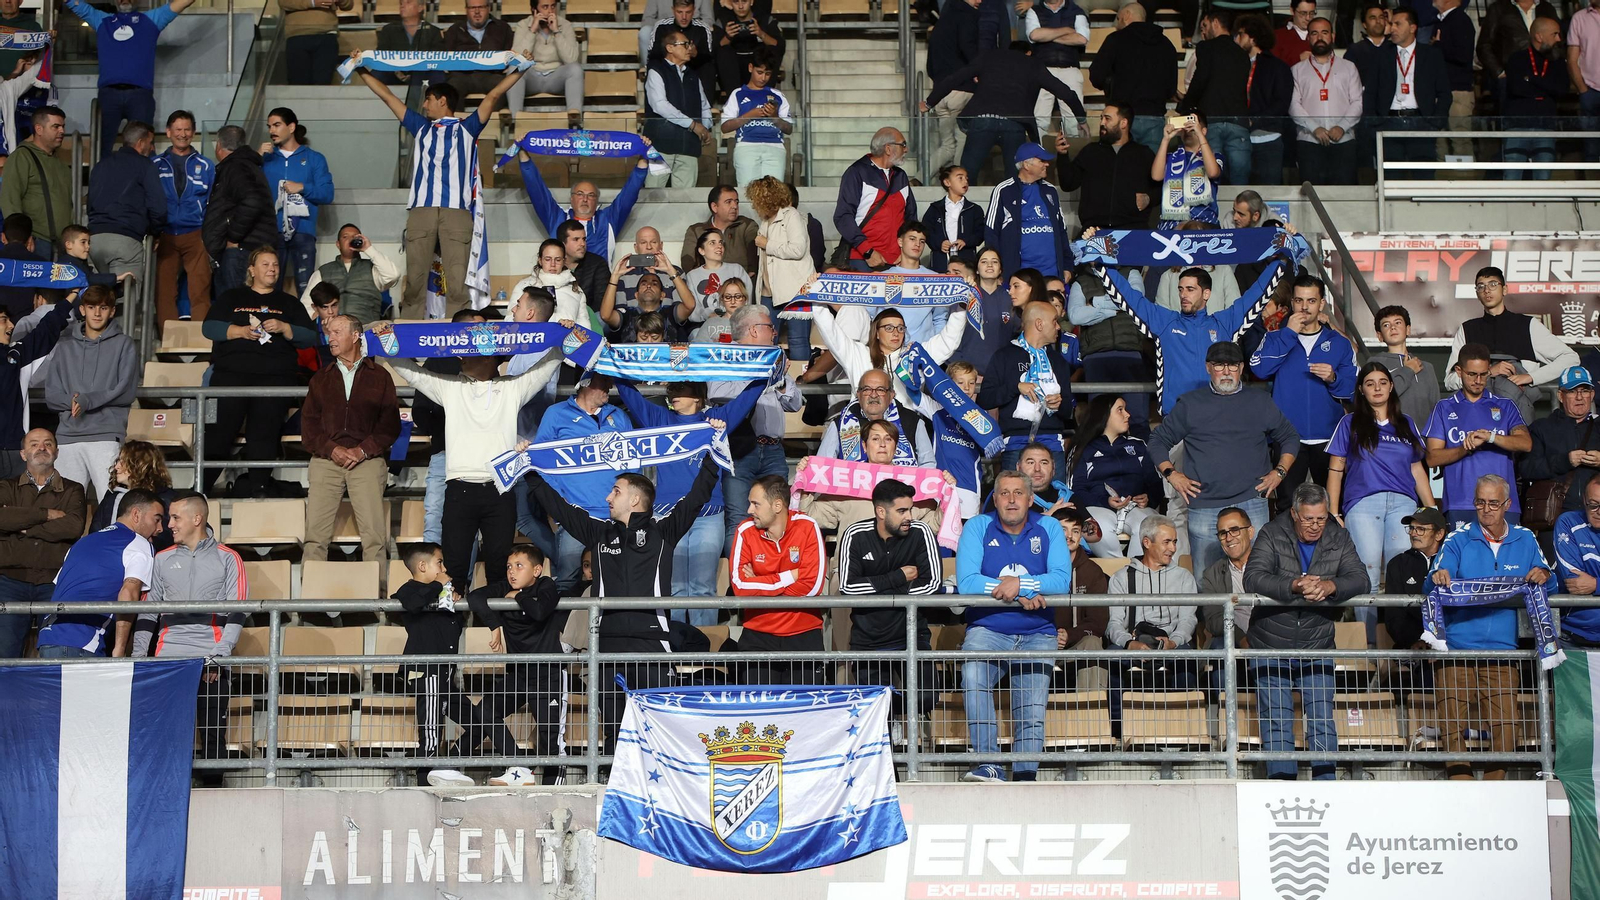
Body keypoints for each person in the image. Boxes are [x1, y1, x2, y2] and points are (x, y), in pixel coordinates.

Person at [526, 451, 723, 752]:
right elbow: (560, 508)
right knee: (614, 734)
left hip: (652, 647)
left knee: (657, 732)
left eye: (615, 491)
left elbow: (696, 497)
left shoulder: (663, 532)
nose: (607, 497)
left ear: (634, 500)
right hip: (607, 648)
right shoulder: (599, 533)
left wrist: (712, 453)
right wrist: (530, 471)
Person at [355, 64, 522, 319]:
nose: (424, 105)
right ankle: (410, 341)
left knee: (457, 283)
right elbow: (387, 96)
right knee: (415, 281)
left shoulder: (469, 128)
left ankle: (457, 344)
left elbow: (493, 95)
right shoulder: (420, 127)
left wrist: (521, 69)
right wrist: (361, 69)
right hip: (422, 210)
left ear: (442, 101)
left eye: (428, 100)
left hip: (456, 212)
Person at [1083, 224, 1288, 416]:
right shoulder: (1165, 322)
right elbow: (1129, 297)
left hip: (1217, 414)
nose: (1183, 295)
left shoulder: (1224, 323)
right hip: (1177, 417)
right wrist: (1099, 260)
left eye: (1190, 289)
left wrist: (1282, 258)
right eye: (1180, 289)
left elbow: (1257, 293)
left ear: (1206, 294)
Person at [1429, 474, 1549, 780]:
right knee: (1451, 726)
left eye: (1494, 503)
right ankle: (1462, 785)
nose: (1486, 509)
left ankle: (1496, 790)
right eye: (1480, 502)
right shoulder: (1457, 538)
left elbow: (1550, 577)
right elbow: (1437, 574)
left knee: (1506, 728)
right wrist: (1439, 575)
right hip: (1456, 649)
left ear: (1507, 504)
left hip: (1502, 652)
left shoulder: (1525, 538)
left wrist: (1543, 575)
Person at [1242, 483, 1366, 780]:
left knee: (1322, 719)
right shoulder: (1271, 532)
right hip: (1271, 642)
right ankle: (1282, 786)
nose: (1315, 526)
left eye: (1321, 519)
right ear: (1294, 513)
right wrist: (1293, 586)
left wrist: (1330, 586)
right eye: (1308, 519)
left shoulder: (1338, 535)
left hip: (1318, 639)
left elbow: (1360, 579)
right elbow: (1253, 578)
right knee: (1277, 721)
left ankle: (1325, 785)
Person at [614, 377, 763, 623]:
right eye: (671, 388)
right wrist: (614, 367)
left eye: (680, 388)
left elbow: (747, 399)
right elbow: (631, 397)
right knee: (674, 589)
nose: (673, 393)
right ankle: (675, 652)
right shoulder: (659, 419)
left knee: (702, 588)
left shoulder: (715, 419)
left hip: (709, 514)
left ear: (698, 395)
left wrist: (766, 371)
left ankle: (700, 653)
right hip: (667, 515)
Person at [956, 469, 1072, 783]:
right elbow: (967, 583)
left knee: (1031, 711)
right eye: (1004, 493)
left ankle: (1025, 777)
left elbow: (1061, 581)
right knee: (973, 674)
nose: (1011, 499)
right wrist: (1025, 592)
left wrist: (1019, 583)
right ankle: (989, 764)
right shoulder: (978, 526)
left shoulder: (1048, 526)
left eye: (1018, 493)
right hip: (988, 629)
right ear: (994, 499)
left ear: (1031, 498)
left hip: (1038, 631)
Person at [1151, 341, 1300, 575]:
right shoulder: (1190, 404)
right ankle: (1213, 614)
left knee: (1257, 575)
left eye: (1232, 365)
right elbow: (1157, 441)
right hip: (1205, 504)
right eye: (1220, 365)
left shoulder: (1260, 401)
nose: (1227, 371)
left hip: (1252, 501)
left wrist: (1279, 472)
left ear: (1241, 368)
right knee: (1206, 578)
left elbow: (1290, 436)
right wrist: (1173, 475)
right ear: (1208, 367)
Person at [130, 492, 245, 786]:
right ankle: (166, 795)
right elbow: (147, 613)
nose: (169, 524)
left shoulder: (229, 558)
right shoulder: (162, 559)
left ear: (197, 519)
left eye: (175, 517)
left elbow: (237, 611)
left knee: (211, 736)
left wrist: (217, 657)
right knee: (164, 734)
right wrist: (140, 657)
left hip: (211, 661)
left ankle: (211, 795)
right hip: (167, 662)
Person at [1326, 362, 1434, 642]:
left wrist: (1431, 508)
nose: (1377, 388)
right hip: (1363, 505)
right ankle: (1369, 647)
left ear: (1391, 386)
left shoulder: (1406, 422)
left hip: (1403, 505)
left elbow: (1416, 469)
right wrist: (1333, 511)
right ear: (1361, 389)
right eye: (1370, 383)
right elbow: (1336, 469)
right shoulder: (1349, 422)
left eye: (1382, 382)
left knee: (1402, 577)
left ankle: (1402, 642)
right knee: (1368, 577)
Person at [203, 248, 316, 498]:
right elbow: (209, 327)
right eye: (265, 264)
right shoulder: (232, 297)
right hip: (231, 377)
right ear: (252, 270)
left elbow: (310, 336)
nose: (272, 269)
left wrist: (286, 327)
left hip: (274, 379)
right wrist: (240, 331)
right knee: (218, 434)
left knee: (264, 434)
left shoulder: (288, 303)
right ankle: (201, 488)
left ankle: (259, 488)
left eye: (275, 264)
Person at [836, 478, 943, 726]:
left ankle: (890, 717)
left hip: (912, 636)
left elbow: (931, 585)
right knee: (873, 707)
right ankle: (887, 725)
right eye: (902, 511)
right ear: (881, 512)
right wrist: (898, 577)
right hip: (868, 640)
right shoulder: (856, 534)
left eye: (911, 509)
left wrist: (877, 589)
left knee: (926, 698)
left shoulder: (921, 532)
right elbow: (848, 587)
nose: (910, 516)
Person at [462, 545, 570, 785]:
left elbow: (540, 611)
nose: (512, 572)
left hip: (548, 673)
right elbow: (475, 597)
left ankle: (555, 791)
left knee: (549, 737)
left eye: (519, 566)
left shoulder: (546, 586)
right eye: (509, 566)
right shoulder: (505, 587)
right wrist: (494, 625)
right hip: (520, 674)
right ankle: (518, 766)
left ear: (537, 570)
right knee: (486, 710)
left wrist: (518, 597)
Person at [1249, 274, 1358, 511]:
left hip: (1329, 438)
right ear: (1292, 303)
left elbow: (1352, 388)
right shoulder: (1276, 337)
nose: (1304, 307)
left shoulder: (1338, 343)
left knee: (1332, 507)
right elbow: (1259, 369)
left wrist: (1333, 378)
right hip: (1288, 438)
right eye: (1299, 301)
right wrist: (1288, 334)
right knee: (1288, 507)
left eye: (1311, 301)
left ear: (1321, 304)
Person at [301, 314, 400, 564]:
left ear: (355, 336)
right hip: (326, 461)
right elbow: (309, 427)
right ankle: (310, 601)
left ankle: (376, 600)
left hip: (367, 462)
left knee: (375, 539)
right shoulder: (320, 378)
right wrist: (331, 449)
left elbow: (389, 426)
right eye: (329, 333)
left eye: (337, 332)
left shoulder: (380, 377)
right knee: (314, 538)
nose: (330, 338)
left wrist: (363, 451)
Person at [924, 46, 1086, 184]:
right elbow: (1065, 92)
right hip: (1014, 124)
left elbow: (954, 78)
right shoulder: (1033, 64)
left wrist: (929, 102)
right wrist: (1081, 118)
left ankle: (964, 215)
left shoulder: (990, 56)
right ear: (1028, 52)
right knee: (1015, 180)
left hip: (983, 120)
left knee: (967, 176)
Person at [34, 488, 164, 659]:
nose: (161, 528)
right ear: (136, 514)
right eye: (157, 519)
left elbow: (59, 588)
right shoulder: (139, 543)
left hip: (48, 638)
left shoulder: (82, 543)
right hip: (82, 642)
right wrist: (119, 649)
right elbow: (128, 594)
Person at [1443, 267, 1578, 426]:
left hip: (1518, 417)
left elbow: (1571, 359)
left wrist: (1529, 377)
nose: (1487, 290)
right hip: (1475, 419)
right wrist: (1488, 372)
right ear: (1477, 293)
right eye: (1481, 286)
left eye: (1493, 284)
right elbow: (1450, 381)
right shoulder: (1467, 329)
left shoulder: (1527, 326)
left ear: (1504, 289)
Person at [712, 304, 802, 541]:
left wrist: (780, 381)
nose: (774, 333)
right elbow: (718, 394)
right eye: (770, 327)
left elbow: (795, 403)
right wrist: (761, 377)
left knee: (779, 518)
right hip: (740, 450)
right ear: (753, 330)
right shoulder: (724, 357)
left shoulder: (773, 358)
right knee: (739, 519)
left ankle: (774, 575)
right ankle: (739, 577)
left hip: (773, 451)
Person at [41, 285, 138, 501]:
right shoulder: (64, 346)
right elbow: (52, 395)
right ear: (82, 310)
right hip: (67, 437)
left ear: (112, 311)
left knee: (113, 504)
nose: (97, 313)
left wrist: (88, 400)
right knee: (65, 508)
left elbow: (126, 390)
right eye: (91, 307)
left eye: (103, 308)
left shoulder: (124, 344)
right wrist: (75, 401)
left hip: (105, 436)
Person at [63, 0, 194, 158]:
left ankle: (144, 182)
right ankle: (103, 182)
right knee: (102, 148)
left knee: (144, 146)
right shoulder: (102, 20)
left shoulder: (151, 19)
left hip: (140, 95)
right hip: (109, 95)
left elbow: (183, 3)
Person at [730, 474, 828, 684]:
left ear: (777, 505)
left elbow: (813, 587)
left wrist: (759, 581)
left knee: (806, 712)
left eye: (755, 504)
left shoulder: (807, 526)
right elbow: (739, 587)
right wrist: (790, 576)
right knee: (758, 713)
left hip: (804, 634)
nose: (749, 510)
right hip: (758, 634)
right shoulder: (745, 531)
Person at [392, 541, 475, 786]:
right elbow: (413, 604)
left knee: (481, 722)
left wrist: (454, 603)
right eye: (439, 562)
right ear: (422, 565)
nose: (444, 568)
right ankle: (424, 787)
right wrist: (440, 584)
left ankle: (446, 768)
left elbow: (454, 628)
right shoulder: (409, 589)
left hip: (446, 675)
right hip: (426, 672)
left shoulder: (440, 593)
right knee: (429, 733)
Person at [0, 428, 88, 657]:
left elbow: (73, 527)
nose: (42, 448)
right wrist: (46, 514)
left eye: (48, 444)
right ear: (22, 453)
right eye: (34, 444)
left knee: (53, 652)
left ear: (57, 452)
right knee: (5, 652)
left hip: (54, 581)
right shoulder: (5, 487)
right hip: (10, 580)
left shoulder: (73, 488)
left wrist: (22, 525)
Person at [1426, 343, 1534, 527]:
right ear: (1459, 371)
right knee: (1465, 556)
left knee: (1506, 557)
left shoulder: (1505, 405)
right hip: (1461, 503)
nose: (1478, 380)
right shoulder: (1444, 407)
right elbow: (1432, 458)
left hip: (1503, 504)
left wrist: (1490, 437)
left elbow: (1526, 443)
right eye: (1472, 374)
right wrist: (1465, 448)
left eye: (1483, 374)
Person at [1106, 515, 1198, 729]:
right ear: (1147, 543)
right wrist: (1130, 644)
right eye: (1167, 542)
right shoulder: (1120, 578)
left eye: (1174, 542)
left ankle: (1183, 730)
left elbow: (1188, 620)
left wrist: (1172, 642)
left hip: (1172, 644)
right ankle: (1119, 731)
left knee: (1188, 657)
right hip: (1135, 643)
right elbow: (1114, 624)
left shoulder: (1184, 577)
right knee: (1113, 656)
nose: (1173, 548)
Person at [810, 287, 967, 408]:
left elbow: (948, 342)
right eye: (889, 328)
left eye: (900, 328)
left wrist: (961, 306)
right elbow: (831, 332)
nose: (896, 333)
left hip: (904, 431)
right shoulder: (858, 353)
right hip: (865, 428)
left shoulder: (915, 356)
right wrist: (817, 295)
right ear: (877, 332)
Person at [979, 299, 1077, 472]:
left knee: (1057, 498)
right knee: (1014, 498)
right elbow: (985, 399)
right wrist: (1015, 387)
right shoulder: (1004, 356)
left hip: (1052, 442)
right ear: (1039, 324)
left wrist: (1059, 404)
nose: (1058, 327)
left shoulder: (1058, 362)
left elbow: (1068, 410)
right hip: (1016, 442)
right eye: (1054, 321)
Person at [1068, 395, 1162, 558]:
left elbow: (1155, 484)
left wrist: (1149, 498)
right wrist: (1104, 501)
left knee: (1146, 526)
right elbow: (1075, 490)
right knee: (1099, 527)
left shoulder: (1138, 445)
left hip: (1135, 508)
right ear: (1104, 415)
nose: (1127, 414)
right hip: (1097, 507)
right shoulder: (1082, 449)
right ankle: (1115, 575)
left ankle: (1135, 575)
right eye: (1120, 410)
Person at [260, 109, 334, 294]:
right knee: (269, 286)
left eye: (277, 125)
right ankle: (268, 322)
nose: (272, 131)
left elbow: (327, 193)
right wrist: (254, 158)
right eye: (269, 126)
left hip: (303, 231)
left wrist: (303, 187)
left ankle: (305, 323)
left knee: (306, 287)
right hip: (271, 231)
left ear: (291, 127)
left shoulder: (314, 158)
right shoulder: (264, 159)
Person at [1087, 3, 1177, 153]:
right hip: (1154, 117)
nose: (1117, 23)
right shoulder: (1167, 45)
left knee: (1121, 169)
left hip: (1122, 118)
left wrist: (1110, 88)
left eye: (1118, 18)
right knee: (1152, 170)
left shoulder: (1115, 40)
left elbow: (1096, 76)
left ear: (1127, 15)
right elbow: (1171, 89)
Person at [1053, 103, 1156, 231]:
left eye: (1107, 118)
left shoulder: (1143, 154)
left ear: (1123, 123)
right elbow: (1068, 184)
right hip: (1093, 230)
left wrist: (1149, 198)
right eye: (1101, 118)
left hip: (1134, 229)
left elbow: (1160, 188)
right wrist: (1062, 155)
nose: (1102, 123)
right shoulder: (1090, 152)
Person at [202, 125, 278, 298]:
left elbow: (252, 201)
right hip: (247, 249)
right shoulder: (247, 166)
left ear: (219, 145)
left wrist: (233, 238)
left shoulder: (236, 167)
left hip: (241, 251)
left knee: (235, 308)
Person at [521, 167, 647, 270]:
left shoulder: (608, 219)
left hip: (598, 289)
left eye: (591, 195)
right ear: (571, 198)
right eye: (580, 194)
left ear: (597, 200)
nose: (585, 199)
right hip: (562, 287)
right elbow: (537, 192)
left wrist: (641, 166)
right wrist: (525, 160)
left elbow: (629, 195)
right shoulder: (558, 218)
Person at [87, 121, 166, 283]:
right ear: (141, 142)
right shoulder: (145, 165)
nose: (152, 148)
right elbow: (158, 208)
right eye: (150, 143)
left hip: (94, 241)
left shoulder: (101, 165)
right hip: (125, 240)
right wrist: (155, 232)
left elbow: (90, 204)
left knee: (97, 299)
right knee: (125, 299)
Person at [154, 111, 214, 324]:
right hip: (164, 235)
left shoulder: (207, 166)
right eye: (178, 129)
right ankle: (169, 345)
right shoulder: (155, 164)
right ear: (168, 132)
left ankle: (201, 342)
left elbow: (212, 202)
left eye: (187, 129)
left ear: (194, 132)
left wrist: (207, 233)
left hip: (195, 233)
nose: (182, 134)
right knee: (164, 291)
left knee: (200, 289)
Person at [1519, 366, 1600, 521]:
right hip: (1555, 515)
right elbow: (1526, 468)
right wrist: (1564, 461)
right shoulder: (1542, 428)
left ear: (1592, 394)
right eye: (1572, 391)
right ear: (1560, 396)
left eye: (1584, 391)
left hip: (1595, 518)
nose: (1579, 397)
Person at [983, 143, 1073, 278]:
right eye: (1041, 160)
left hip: (1052, 275)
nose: (1047, 164)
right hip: (1019, 277)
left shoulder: (1051, 191)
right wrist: (999, 272)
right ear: (1026, 165)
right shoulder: (1003, 190)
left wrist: (1067, 267)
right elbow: (991, 233)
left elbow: (1061, 231)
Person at [1377, 8, 1452, 171]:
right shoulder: (1382, 55)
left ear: (1413, 28)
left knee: (1423, 180)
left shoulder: (1431, 55)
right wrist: (1376, 123)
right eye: (1391, 24)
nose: (1392, 28)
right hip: (1389, 123)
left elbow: (1445, 93)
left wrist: (1435, 122)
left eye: (1397, 24)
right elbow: (1370, 93)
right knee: (1391, 181)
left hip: (1422, 123)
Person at [1180, 10, 1250, 184]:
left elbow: (1200, 79)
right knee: (1239, 179)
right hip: (1238, 121)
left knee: (1211, 176)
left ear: (1215, 23)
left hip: (1212, 120)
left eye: (1205, 25)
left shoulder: (1206, 47)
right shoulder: (1242, 54)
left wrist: (1184, 108)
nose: (1203, 31)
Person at [832, 128, 917, 271]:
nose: (906, 149)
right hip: (863, 259)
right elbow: (843, 216)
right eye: (903, 144)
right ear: (888, 149)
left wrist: (906, 251)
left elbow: (911, 218)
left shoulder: (900, 176)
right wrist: (867, 251)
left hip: (897, 261)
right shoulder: (857, 172)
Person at [817, 372, 938, 467]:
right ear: (858, 394)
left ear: (891, 395)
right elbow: (822, 465)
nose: (873, 395)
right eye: (867, 389)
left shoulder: (912, 420)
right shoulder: (840, 423)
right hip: (853, 495)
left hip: (900, 493)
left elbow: (927, 464)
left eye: (880, 389)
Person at [1383, 505, 1447, 683]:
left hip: (1449, 644)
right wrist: (1417, 640)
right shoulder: (1397, 564)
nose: (1413, 533)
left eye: (1421, 529)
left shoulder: (1452, 562)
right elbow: (1393, 615)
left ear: (1439, 534)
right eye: (1411, 528)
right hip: (1411, 647)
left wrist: (1437, 642)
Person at [644, 28, 714, 188]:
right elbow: (659, 105)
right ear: (670, 48)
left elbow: (704, 106)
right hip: (660, 147)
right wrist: (693, 125)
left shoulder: (693, 75)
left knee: (686, 201)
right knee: (653, 195)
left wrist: (706, 128)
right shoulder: (656, 70)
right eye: (685, 44)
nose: (690, 48)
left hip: (689, 147)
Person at [1501, 17, 1568, 180]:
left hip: (1546, 126)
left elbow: (1562, 89)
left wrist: (1532, 79)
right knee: (1512, 177)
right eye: (1555, 34)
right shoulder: (1517, 59)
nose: (1559, 39)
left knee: (1543, 178)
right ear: (1539, 37)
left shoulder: (1557, 62)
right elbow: (1517, 88)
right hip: (1518, 126)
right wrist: (1546, 87)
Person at [297, 224, 399, 326]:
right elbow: (305, 306)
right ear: (338, 244)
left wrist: (368, 249)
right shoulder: (323, 271)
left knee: (387, 325)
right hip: (333, 329)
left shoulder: (372, 268)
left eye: (355, 237)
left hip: (365, 327)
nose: (350, 239)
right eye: (345, 237)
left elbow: (393, 275)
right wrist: (319, 321)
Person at [0, 106, 69, 257]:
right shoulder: (22, 157)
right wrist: (20, 238)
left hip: (61, 245)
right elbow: (10, 199)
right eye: (56, 126)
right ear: (39, 129)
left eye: (63, 126)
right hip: (35, 242)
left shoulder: (60, 164)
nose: (62, 131)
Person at [1233, 14, 1292, 185]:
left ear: (1252, 38)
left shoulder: (1278, 67)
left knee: (1270, 197)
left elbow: (1282, 103)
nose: (1236, 39)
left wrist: (1255, 121)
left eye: (1241, 34)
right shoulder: (1235, 65)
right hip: (1239, 140)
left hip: (1268, 140)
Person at [720, 48, 792, 187]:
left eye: (768, 74)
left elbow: (789, 128)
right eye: (759, 72)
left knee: (774, 195)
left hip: (775, 147)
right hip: (747, 146)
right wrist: (749, 115)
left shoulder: (778, 95)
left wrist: (774, 117)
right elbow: (725, 126)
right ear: (750, 67)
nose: (763, 78)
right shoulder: (738, 94)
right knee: (748, 192)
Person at [86, 440, 175, 552]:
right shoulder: (112, 497)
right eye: (118, 461)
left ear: (140, 464)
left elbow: (167, 538)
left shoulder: (166, 498)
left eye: (123, 462)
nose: (117, 467)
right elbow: (96, 532)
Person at [926, 0, 982, 173]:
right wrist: (979, 70)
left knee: (948, 146)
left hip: (940, 93)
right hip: (961, 90)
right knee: (962, 142)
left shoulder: (942, 21)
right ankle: (958, 182)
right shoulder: (967, 16)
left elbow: (930, 63)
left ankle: (919, 178)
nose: (980, 1)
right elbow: (968, 46)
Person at [1479, 0, 1559, 116]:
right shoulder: (1499, 8)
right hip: (1510, 79)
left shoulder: (1546, 8)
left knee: (1544, 122)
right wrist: (1500, 73)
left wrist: (1554, 68)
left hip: (1542, 77)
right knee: (1512, 123)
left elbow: (1557, 41)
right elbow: (1484, 45)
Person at [1024, 0, 1090, 140]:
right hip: (1042, 70)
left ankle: (1073, 157)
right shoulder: (1034, 11)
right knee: (1040, 119)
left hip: (1070, 69)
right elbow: (1034, 35)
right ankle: (1037, 156)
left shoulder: (1077, 11)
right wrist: (1066, 30)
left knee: (1073, 120)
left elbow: (1082, 39)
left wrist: (1047, 35)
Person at [508, 0, 583, 117]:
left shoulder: (565, 25)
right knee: (514, 68)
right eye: (545, 7)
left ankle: (575, 119)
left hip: (556, 77)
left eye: (553, 6)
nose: (550, 11)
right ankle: (514, 119)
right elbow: (516, 58)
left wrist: (557, 32)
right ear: (534, 10)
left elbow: (571, 59)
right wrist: (532, 30)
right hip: (531, 76)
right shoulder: (523, 25)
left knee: (575, 69)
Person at [1550, 478, 1600, 650]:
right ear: (1583, 502)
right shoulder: (1568, 523)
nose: (1598, 511)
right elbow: (1575, 582)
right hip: (1574, 635)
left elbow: (1587, 584)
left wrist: (1595, 583)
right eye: (1593, 504)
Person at [1370, 304, 1439, 427]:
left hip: (1422, 442)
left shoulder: (1427, 368)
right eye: (1386, 325)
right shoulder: (1375, 364)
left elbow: (1436, 409)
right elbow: (1378, 398)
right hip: (1389, 440)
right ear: (1380, 336)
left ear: (1408, 329)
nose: (1392, 328)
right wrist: (1408, 370)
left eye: (1398, 323)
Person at [1151, 113, 1222, 229]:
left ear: (1203, 131)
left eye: (1192, 128)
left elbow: (1213, 172)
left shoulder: (1214, 156)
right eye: (1185, 128)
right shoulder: (1171, 157)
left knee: (1193, 227)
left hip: (1205, 221)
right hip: (1171, 224)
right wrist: (1166, 139)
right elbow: (1156, 176)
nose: (1188, 131)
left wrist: (1199, 134)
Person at [1201, 507, 1255, 652]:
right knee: (1220, 647)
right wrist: (1241, 638)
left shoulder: (1271, 564)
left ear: (1250, 532)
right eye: (1222, 533)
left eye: (1235, 530)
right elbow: (1213, 620)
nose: (1229, 538)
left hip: (1269, 637)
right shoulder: (1212, 574)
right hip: (1234, 640)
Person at [641, 0, 716, 103]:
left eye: (688, 12)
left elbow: (708, 57)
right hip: (667, 70)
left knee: (708, 68)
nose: (684, 17)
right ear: (673, 10)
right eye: (680, 12)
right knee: (652, 66)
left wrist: (695, 54)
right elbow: (654, 55)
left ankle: (705, 108)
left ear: (694, 11)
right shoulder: (661, 27)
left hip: (694, 70)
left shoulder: (702, 28)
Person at [375, 0, 445, 109]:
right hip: (394, 73)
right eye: (401, 2)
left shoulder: (432, 31)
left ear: (420, 7)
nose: (402, 5)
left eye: (408, 2)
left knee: (438, 74)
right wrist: (396, 70)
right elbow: (381, 56)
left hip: (422, 74)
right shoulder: (388, 30)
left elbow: (437, 59)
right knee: (376, 73)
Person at [443, 0, 515, 101]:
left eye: (481, 7)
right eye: (472, 8)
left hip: (492, 75)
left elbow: (510, 55)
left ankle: (494, 116)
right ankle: (456, 117)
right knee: (451, 88)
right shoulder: (455, 30)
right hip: (462, 76)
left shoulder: (502, 28)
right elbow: (447, 58)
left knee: (502, 86)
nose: (477, 12)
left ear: (488, 8)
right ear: (466, 10)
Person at [1433, 0, 1476, 167]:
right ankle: (1440, 184)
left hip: (1458, 91)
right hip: (1441, 90)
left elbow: (1463, 55)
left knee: (1460, 139)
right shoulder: (1440, 21)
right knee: (1439, 140)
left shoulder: (1461, 21)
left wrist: (1438, 46)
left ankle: (1463, 183)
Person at [681, 185, 760, 275]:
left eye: (736, 202)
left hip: (739, 285)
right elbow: (687, 263)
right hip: (706, 284)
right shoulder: (696, 231)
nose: (735, 206)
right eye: (728, 202)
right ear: (715, 207)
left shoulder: (747, 226)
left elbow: (754, 261)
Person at [713, 0, 784, 98]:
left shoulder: (764, 19)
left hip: (758, 65)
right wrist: (728, 37)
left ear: (751, 2)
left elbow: (779, 46)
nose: (740, 6)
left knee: (771, 50)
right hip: (734, 68)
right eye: (736, 2)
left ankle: (764, 97)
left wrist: (761, 34)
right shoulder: (724, 20)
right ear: (731, 4)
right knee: (724, 51)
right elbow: (715, 49)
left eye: (744, 2)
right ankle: (736, 100)